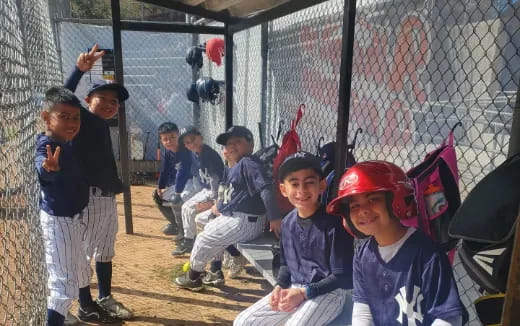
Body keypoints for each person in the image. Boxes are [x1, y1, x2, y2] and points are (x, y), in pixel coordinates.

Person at [326, 161, 468, 326]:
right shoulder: (362, 254)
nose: (362, 210)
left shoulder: (427, 254)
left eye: (372, 199)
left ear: (397, 200)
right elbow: (363, 308)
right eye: (354, 205)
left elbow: (449, 317)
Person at [234, 152, 354, 326]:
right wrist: (279, 287)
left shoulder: (334, 223)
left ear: (322, 185)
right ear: (283, 189)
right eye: (294, 183)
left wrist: (304, 293)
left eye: (309, 182)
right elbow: (285, 265)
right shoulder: (288, 222)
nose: (302, 190)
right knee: (244, 322)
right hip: (294, 287)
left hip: (329, 293)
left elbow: (342, 276)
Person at [64, 44, 130, 322]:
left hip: (105, 198)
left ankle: (104, 296)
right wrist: (79, 70)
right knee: (84, 254)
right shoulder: (83, 119)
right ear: (89, 99)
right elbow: (63, 99)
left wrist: (115, 184)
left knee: (105, 250)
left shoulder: (102, 125)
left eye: (115, 102)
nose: (110, 105)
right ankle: (85, 303)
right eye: (103, 98)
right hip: (87, 199)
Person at [174, 126, 282, 290]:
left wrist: (274, 217)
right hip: (236, 217)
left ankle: (194, 277)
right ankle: (220, 265)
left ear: (251, 145)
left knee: (205, 238)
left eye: (237, 142)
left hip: (246, 220)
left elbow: (266, 188)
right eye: (227, 144)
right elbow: (226, 195)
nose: (231, 147)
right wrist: (214, 207)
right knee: (206, 222)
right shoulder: (235, 167)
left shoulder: (249, 163)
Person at [36, 87, 89, 326]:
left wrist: (78, 71)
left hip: (72, 218)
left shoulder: (65, 141)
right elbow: (42, 166)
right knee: (64, 285)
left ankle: (63, 318)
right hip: (60, 220)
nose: (71, 122)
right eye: (63, 117)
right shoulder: (47, 144)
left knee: (79, 272)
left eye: (75, 117)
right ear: (46, 118)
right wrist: (48, 169)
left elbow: (62, 96)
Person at [154, 122, 198, 239]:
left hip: (194, 182)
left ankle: (184, 234)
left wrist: (177, 192)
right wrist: (160, 185)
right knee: (158, 196)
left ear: (178, 135)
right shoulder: (168, 152)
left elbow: (183, 174)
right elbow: (165, 169)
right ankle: (175, 224)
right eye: (165, 139)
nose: (169, 141)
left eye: (172, 137)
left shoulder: (185, 150)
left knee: (176, 201)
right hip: (182, 182)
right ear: (161, 141)